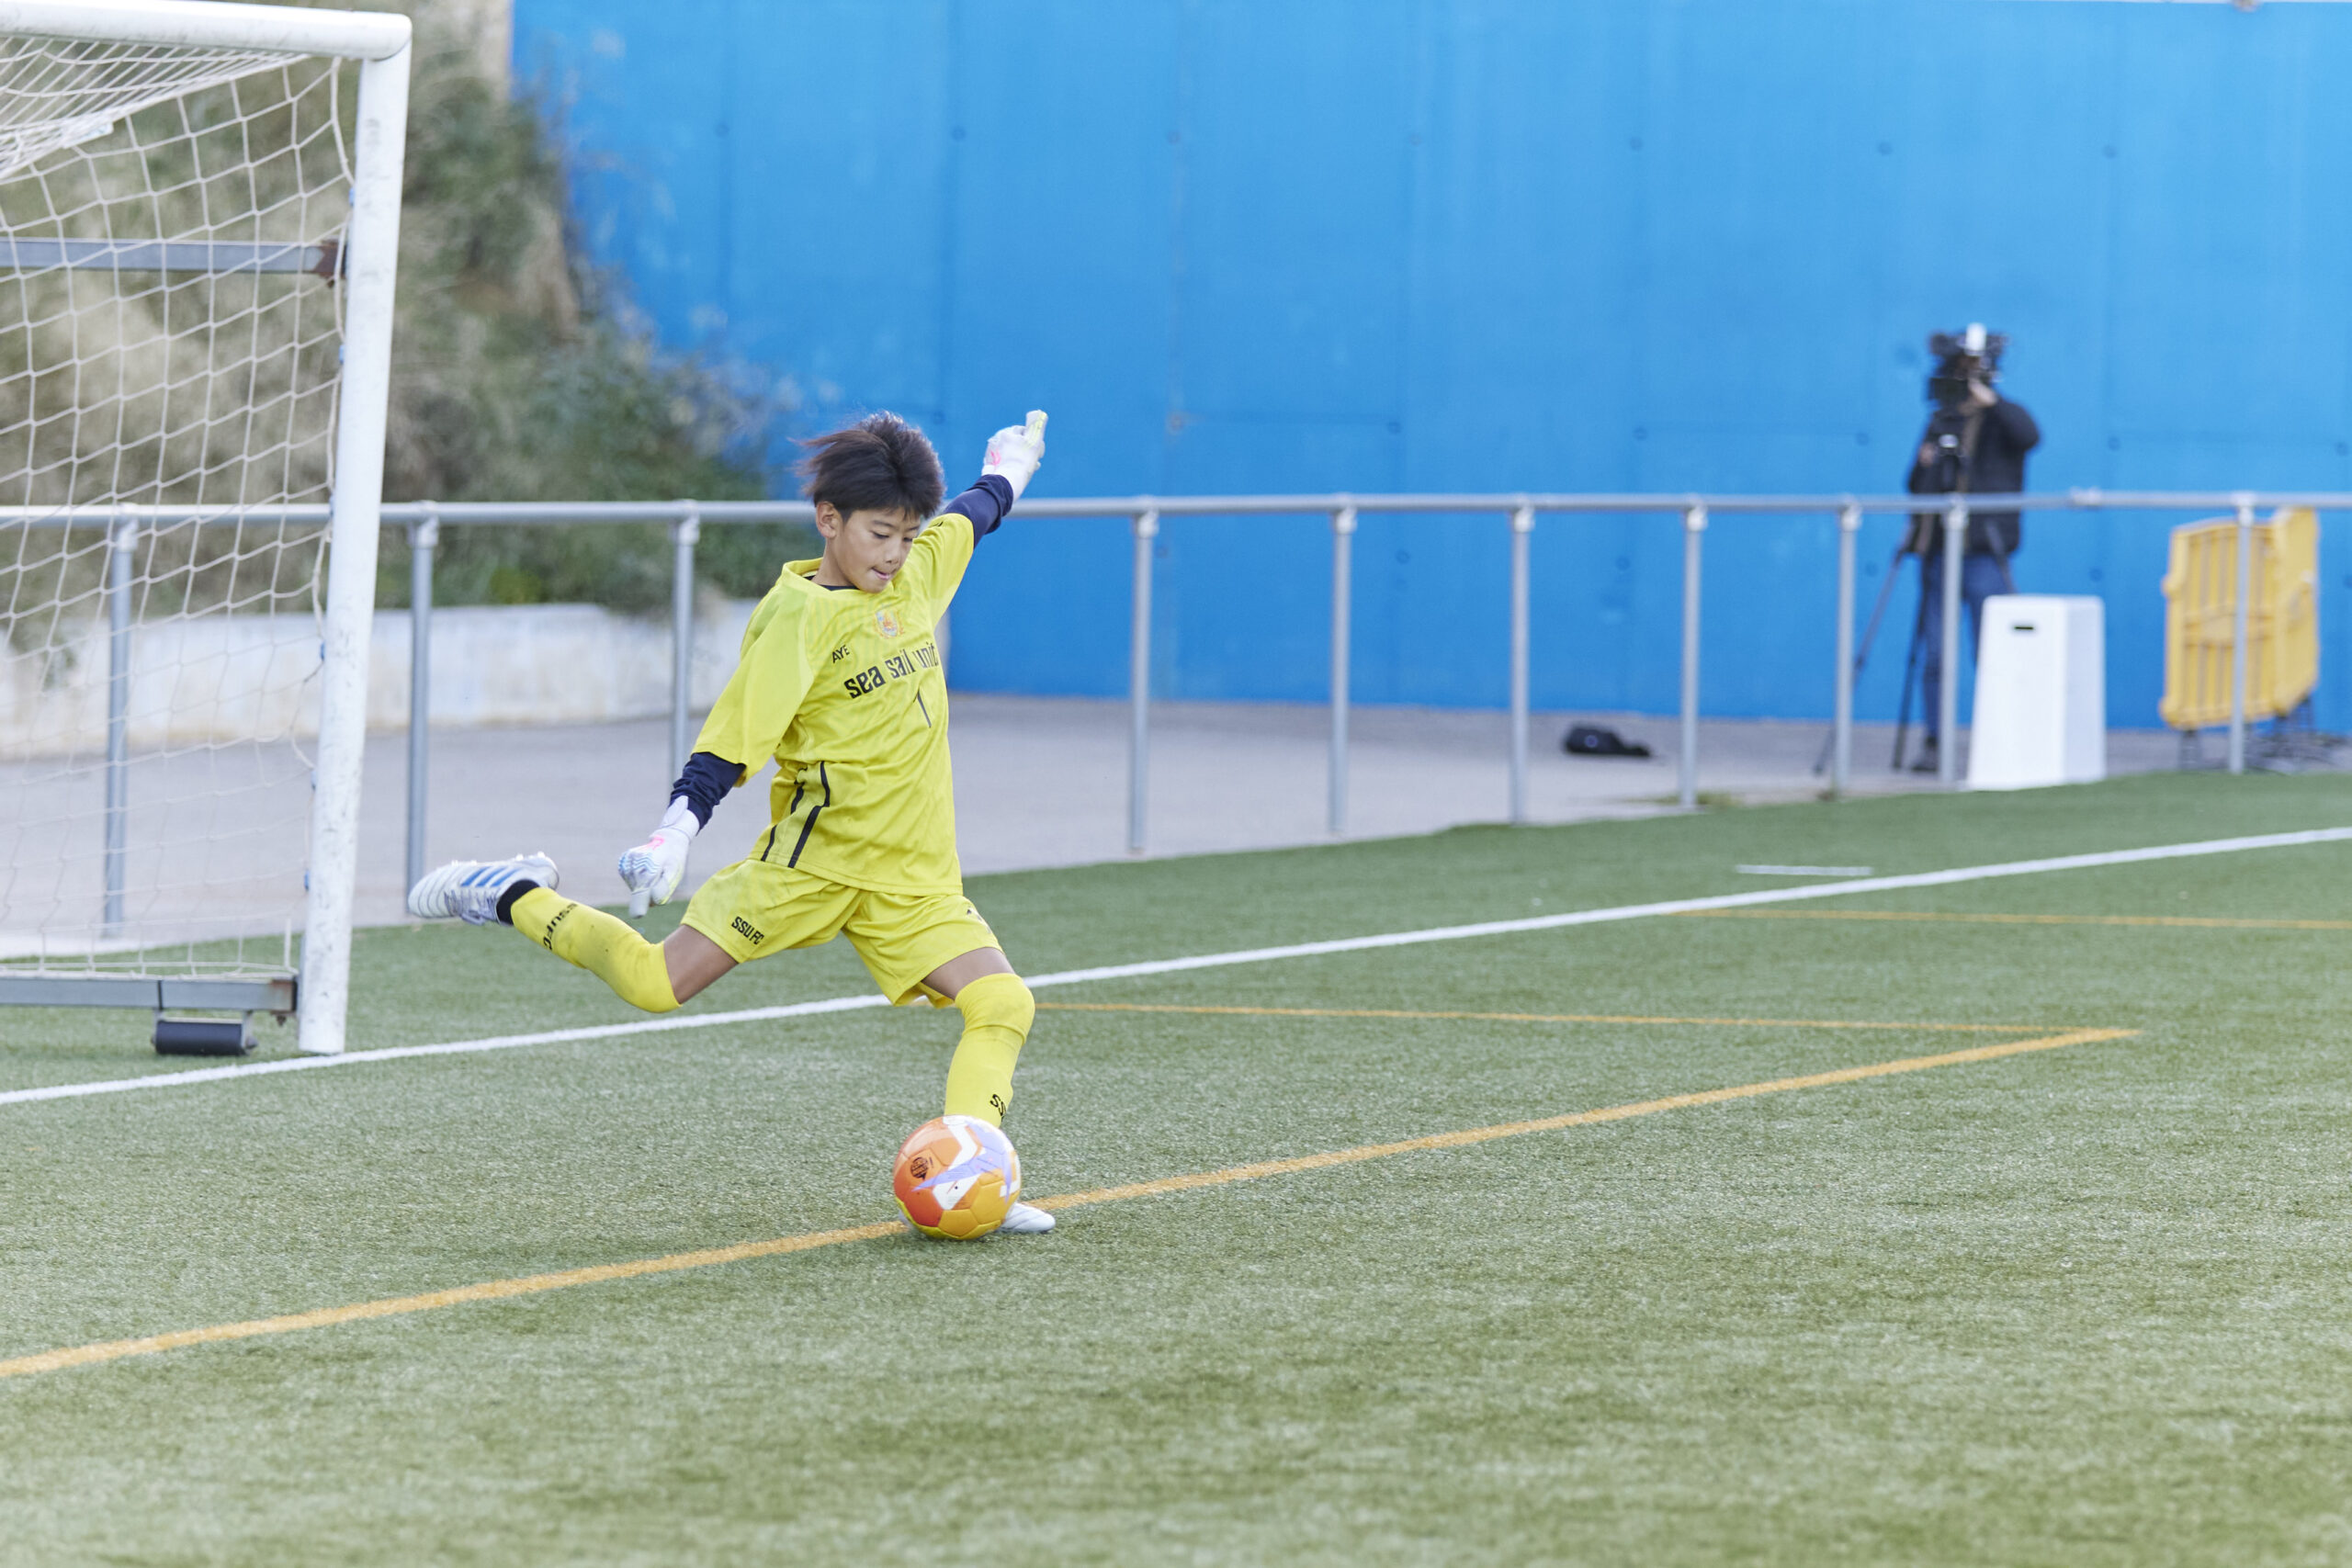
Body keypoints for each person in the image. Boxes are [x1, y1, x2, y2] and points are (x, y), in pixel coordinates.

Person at [405, 409, 1057, 1236]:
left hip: (913, 879)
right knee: (654, 983)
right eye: (880, 533)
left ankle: (975, 1177)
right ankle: (514, 893)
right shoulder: (798, 618)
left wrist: (1010, 465)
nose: (895, 553)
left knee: (1002, 1001)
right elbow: (731, 742)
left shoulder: (919, 574)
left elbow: (976, 512)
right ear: (829, 519)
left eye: (906, 534)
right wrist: (674, 833)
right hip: (809, 867)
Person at [1905, 327, 2039, 773]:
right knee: (1937, 653)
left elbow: (2029, 436)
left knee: (1994, 651)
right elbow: (1914, 486)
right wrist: (1926, 463)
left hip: (1985, 552)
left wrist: (1991, 403)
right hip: (1940, 553)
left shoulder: (2003, 419)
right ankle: (1934, 740)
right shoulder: (1941, 421)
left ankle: (2001, 739)